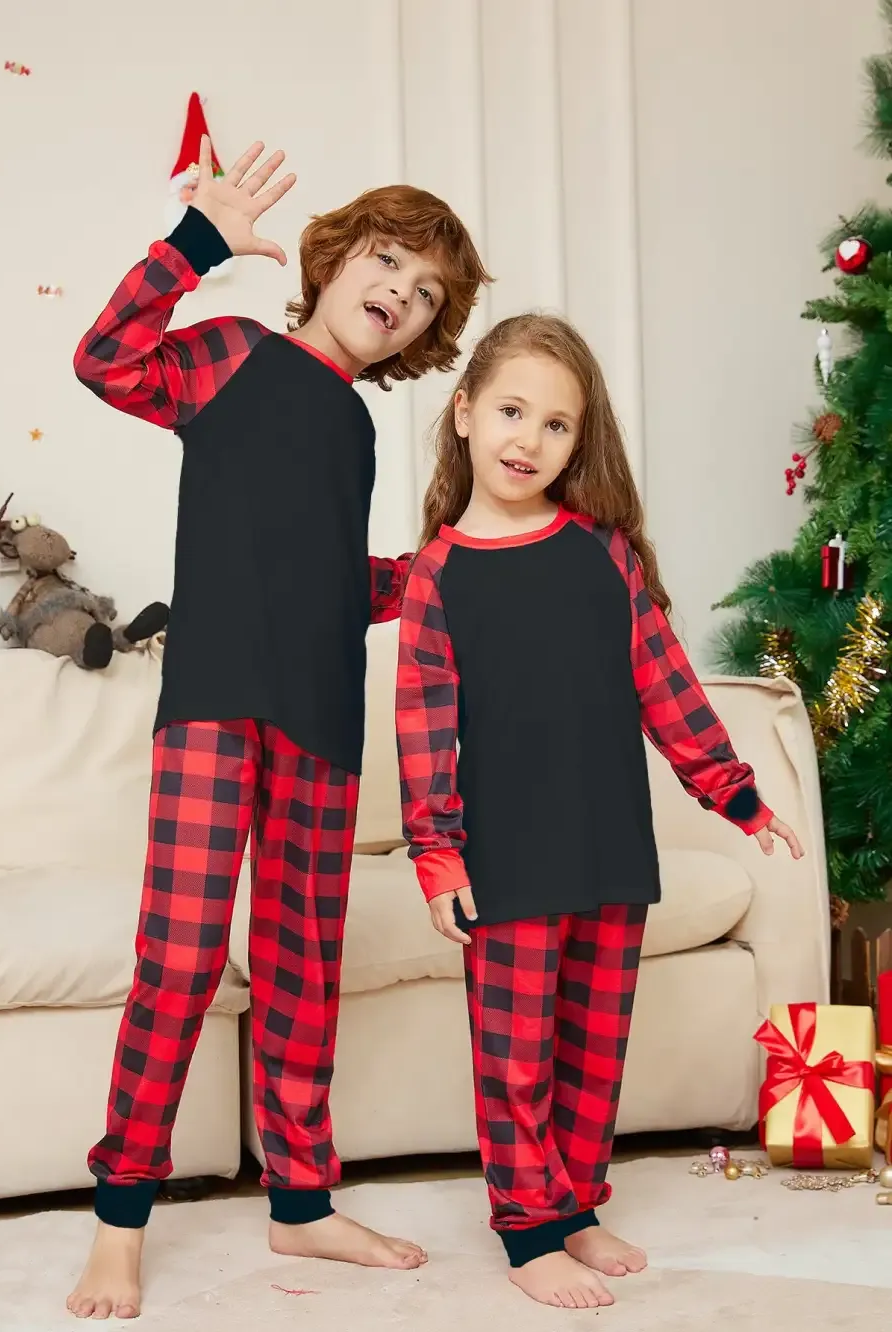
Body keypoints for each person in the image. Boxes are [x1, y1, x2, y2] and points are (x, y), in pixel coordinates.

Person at [66, 133, 490, 1320]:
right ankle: (120, 1219)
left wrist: (421, 578)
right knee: (182, 962)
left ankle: (301, 1202)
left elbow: (326, 581)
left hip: (321, 723)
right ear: (335, 257)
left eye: (424, 296)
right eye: (388, 261)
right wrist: (195, 243)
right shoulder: (231, 355)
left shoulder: (356, 428)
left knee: (304, 969)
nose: (400, 294)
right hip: (213, 707)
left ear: (423, 337)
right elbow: (104, 359)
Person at [395, 313, 804, 1311]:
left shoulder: (603, 554)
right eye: (511, 412)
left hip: (611, 842)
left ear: (581, 442)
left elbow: (667, 687)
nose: (528, 439)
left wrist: (737, 794)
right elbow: (423, 729)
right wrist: (438, 856)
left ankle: (574, 1206)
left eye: (556, 424)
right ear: (463, 414)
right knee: (515, 1054)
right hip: (509, 857)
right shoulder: (436, 578)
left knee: (592, 1047)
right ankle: (528, 1229)